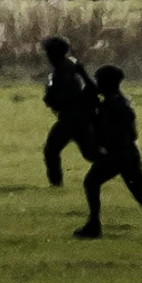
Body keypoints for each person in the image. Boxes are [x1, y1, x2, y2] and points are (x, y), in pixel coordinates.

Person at [72, 64, 142, 241]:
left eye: (99, 81)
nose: (97, 84)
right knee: (140, 193)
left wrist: (94, 120)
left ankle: (94, 225)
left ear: (106, 83)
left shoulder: (114, 106)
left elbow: (112, 132)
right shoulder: (116, 102)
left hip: (119, 156)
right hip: (126, 155)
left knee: (94, 183)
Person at [38, 36, 95, 189]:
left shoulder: (66, 70)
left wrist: (52, 98)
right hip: (75, 119)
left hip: (72, 119)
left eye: (48, 53)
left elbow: (72, 95)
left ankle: (56, 184)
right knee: (90, 153)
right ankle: (119, 164)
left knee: (51, 150)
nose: (47, 56)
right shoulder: (67, 67)